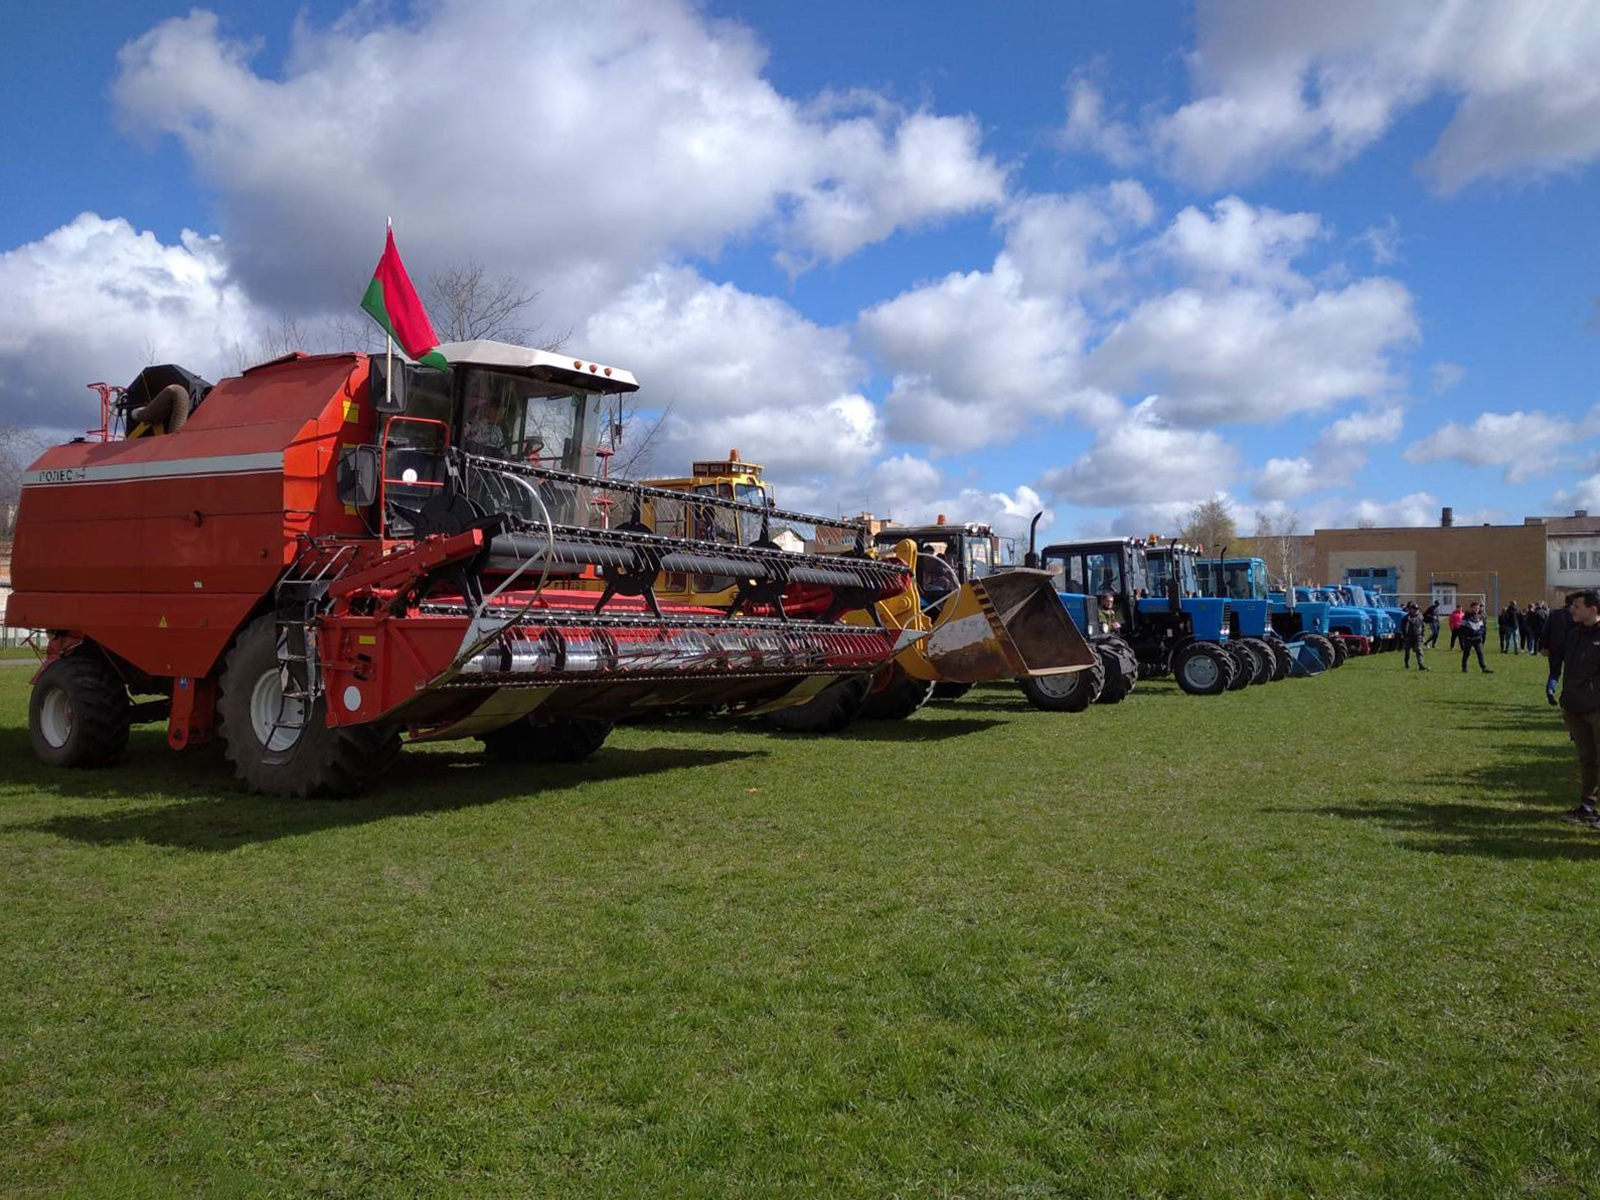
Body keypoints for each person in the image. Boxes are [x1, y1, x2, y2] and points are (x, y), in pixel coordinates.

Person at [1548, 589, 1600, 827]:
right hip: (1575, 707)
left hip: (1596, 708)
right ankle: (1587, 806)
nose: (1572, 609)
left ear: (1593, 609)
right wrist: (1565, 700)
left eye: (1577, 605)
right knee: (1587, 758)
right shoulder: (1574, 634)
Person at [1458, 601, 1491, 673]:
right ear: (1471, 608)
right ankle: (1464, 668)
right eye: (1475, 608)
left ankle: (1484, 668)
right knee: (1466, 654)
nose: (1477, 609)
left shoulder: (1479, 616)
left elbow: (1482, 627)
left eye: (1478, 608)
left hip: (1477, 639)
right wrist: (1467, 635)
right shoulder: (1466, 617)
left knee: (1480, 653)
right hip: (1468, 639)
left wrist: (1480, 634)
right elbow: (1462, 628)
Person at [1400, 602, 1429, 671]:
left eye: (1416, 609)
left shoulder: (1420, 616)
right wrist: (1404, 634)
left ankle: (1421, 665)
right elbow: (1402, 625)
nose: (1415, 610)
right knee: (1407, 650)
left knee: (1418, 650)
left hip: (1417, 635)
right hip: (1408, 636)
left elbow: (1417, 623)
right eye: (1413, 609)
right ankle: (1407, 664)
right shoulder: (1406, 617)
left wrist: (1422, 636)